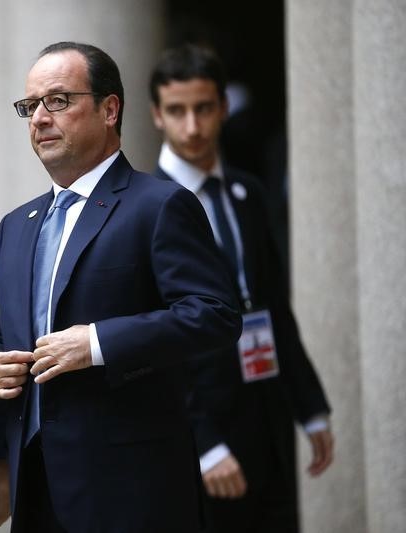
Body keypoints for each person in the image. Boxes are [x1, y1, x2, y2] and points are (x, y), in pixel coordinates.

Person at [0, 41, 242, 533]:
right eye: (30, 106)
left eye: (58, 101)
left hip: (130, 490)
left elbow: (214, 314)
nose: (39, 119)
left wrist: (97, 343)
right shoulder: (16, 224)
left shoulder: (159, 205)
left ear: (109, 109)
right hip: (36, 485)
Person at [148, 43, 334, 532]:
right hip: (201, 431)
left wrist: (310, 407)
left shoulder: (247, 191)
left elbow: (273, 303)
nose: (192, 126)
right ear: (156, 116)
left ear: (224, 108)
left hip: (266, 414)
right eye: (177, 111)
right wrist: (204, 442)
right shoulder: (146, 207)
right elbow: (158, 341)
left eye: (204, 108)